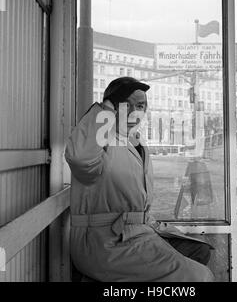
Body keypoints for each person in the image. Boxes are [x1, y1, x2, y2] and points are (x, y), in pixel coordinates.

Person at [65, 77, 214, 282]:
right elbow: (80, 158)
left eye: (141, 106)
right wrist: (105, 110)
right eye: (127, 104)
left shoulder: (134, 142)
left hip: (135, 232)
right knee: (199, 277)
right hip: (105, 241)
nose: (135, 111)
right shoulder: (101, 139)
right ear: (113, 107)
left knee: (200, 250)